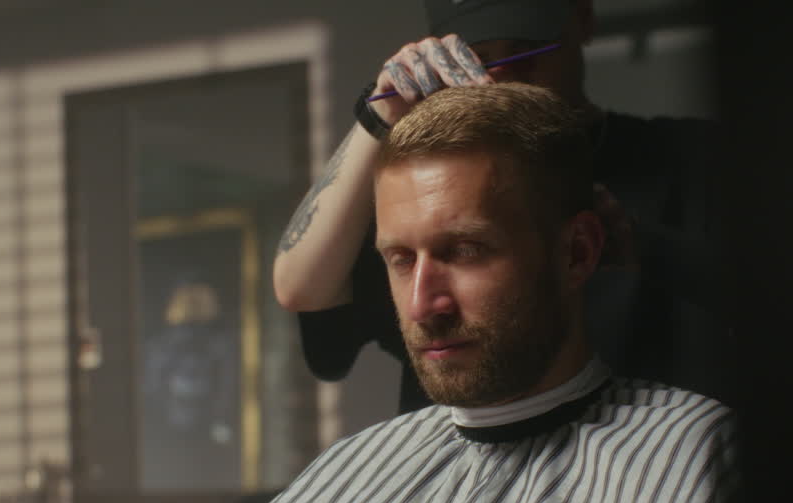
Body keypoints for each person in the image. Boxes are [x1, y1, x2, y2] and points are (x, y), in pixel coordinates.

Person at [63, 83, 738, 503]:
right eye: (400, 259)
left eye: (465, 251)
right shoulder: (352, 470)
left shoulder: (701, 458)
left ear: (577, 252)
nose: (423, 305)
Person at [275, 0, 731, 414]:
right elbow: (300, 287)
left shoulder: (694, 158)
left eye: (527, 49)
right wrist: (379, 114)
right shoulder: (424, 202)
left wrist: (642, 245)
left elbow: (782, 309)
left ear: (582, 18)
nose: (505, 74)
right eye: (478, 58)